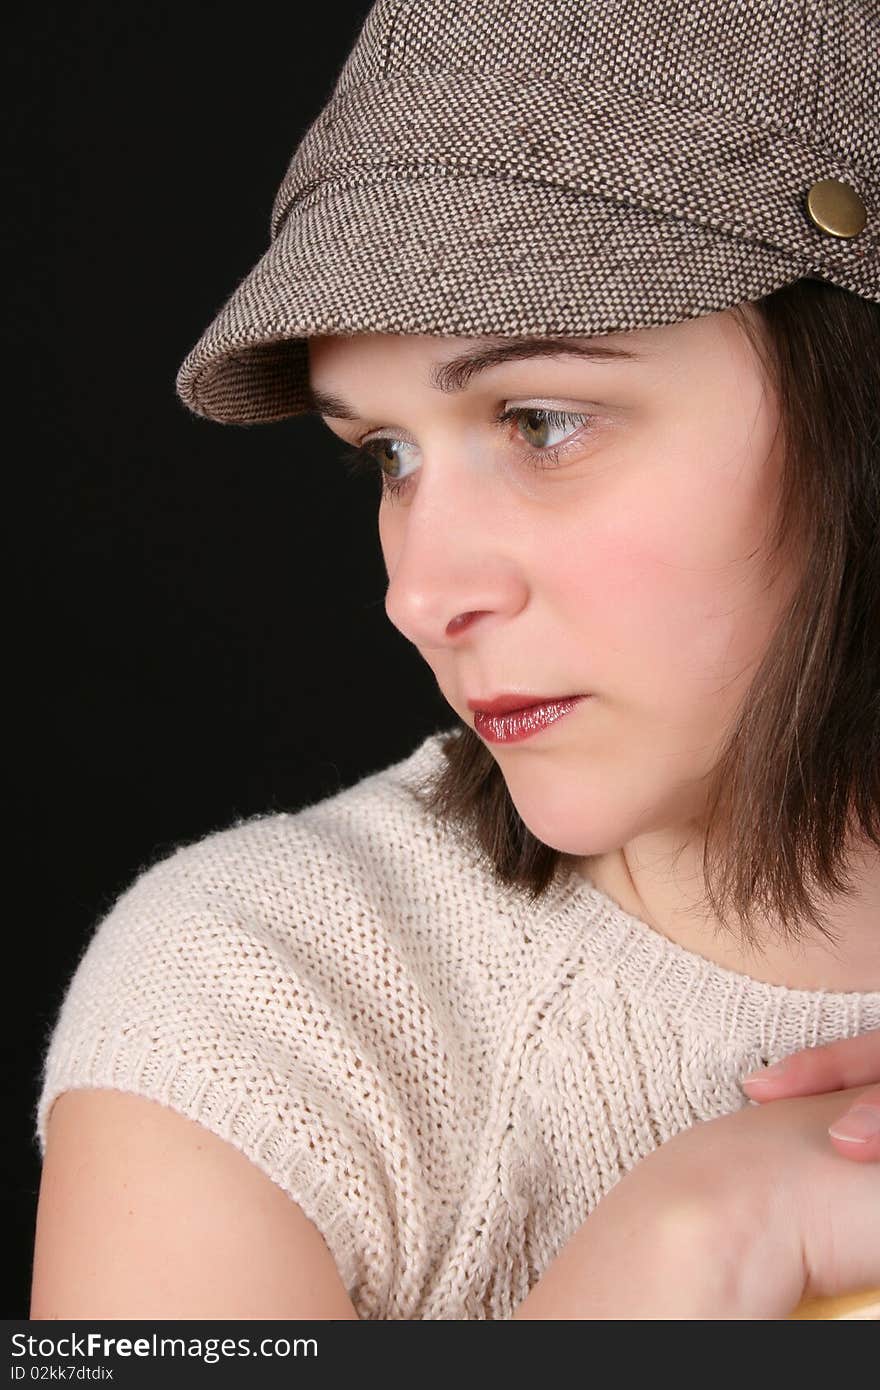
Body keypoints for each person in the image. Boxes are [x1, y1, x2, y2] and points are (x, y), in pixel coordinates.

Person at [30, 0, 879, 1320]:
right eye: (387, 455)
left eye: (540, 421)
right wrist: (684, 1245)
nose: (420, 592)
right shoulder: (253, 1008)